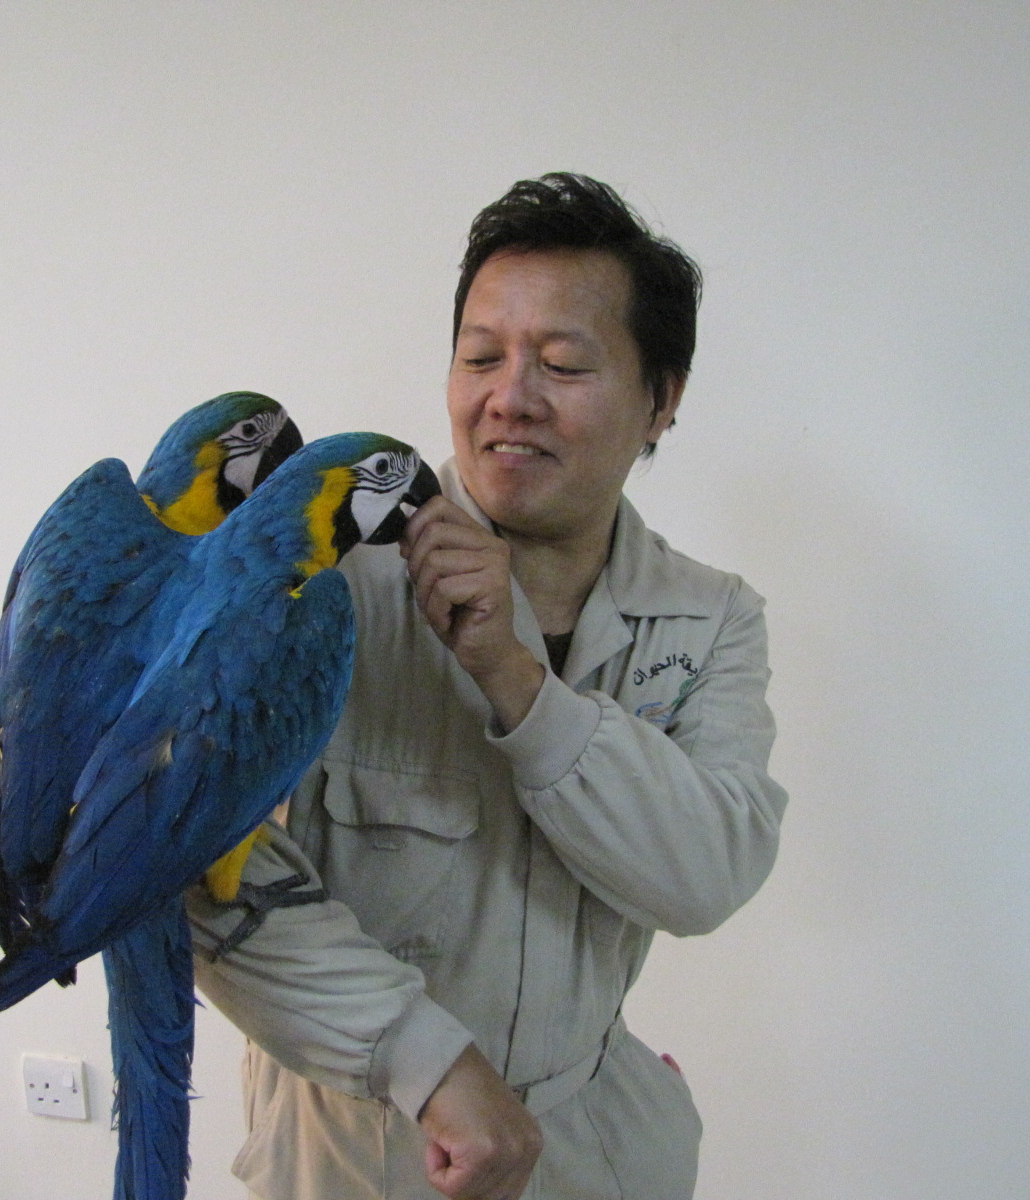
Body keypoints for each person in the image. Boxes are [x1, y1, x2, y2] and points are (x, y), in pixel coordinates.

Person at [189, 172, 788, 1200]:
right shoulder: (322, 583)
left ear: (662, 400)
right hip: (357, 1153)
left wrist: (515, 677)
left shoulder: (708, 618)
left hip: (588, 1147)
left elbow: (707, 874)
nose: (509, 397)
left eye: (563, 363)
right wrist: (427, 1062)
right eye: (480, 357)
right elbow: (206, 882)